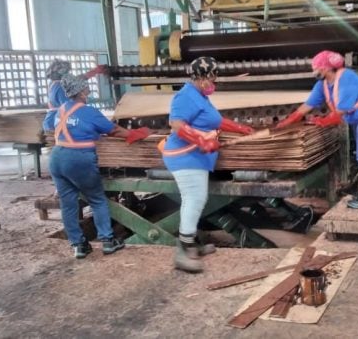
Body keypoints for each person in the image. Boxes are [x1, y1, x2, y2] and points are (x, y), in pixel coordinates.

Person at [161, 56, 254, 273]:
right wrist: (201, 140)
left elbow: (216, 121)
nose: (215, 81)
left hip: (197, 157)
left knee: (196, 200)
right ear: (203, 77)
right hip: (185, 157)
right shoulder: (185, 96)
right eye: (213, 77)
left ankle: (193, 246)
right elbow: (177, 125)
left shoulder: (200, 96)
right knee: (194, 198)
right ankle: (182, 253)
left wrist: (240, 128)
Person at [49, 74, 151, 259]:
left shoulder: (62, 109)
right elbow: (114, 130)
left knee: (68, 204)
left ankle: (79, 245)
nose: (88, 88)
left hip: (57, 158)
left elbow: (58, 127)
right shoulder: (88, 111)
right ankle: (107, 241)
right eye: (85, 86)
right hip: (78, 159)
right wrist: (137, 133)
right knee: (96, 199)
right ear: (80, 91)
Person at [276, 50, 358, 209]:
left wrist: (322, 122)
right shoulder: (323, 85)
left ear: (326, 68)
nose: (315, 72)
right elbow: (308, 106)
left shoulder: (347, 78)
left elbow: (340, 113)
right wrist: (288, 121)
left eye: (317, 68)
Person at [42, 59, 107, 133]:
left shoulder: (54, 83)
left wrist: (94, 72)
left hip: (52, 121)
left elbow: (76, 80)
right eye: (67, 73)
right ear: (62, 73)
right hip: (56, 123)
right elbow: (71, 108)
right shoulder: (61, 87)